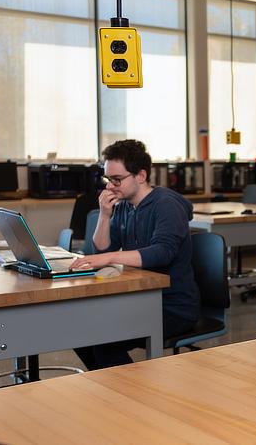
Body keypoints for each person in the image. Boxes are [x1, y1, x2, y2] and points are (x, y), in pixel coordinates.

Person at [70, 139, 198, 369]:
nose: (110, 186)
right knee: (80, 330)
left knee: (104, 342)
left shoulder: (166, 205)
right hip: (141, 298)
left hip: (173, 307)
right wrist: (104, 215)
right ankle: (113, 387)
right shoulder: (126, 206)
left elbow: (162, 253)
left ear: (140, 175)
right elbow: (102, 249)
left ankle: (128, 393)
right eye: (108, 179)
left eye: (117, 179)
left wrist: (108, 258)